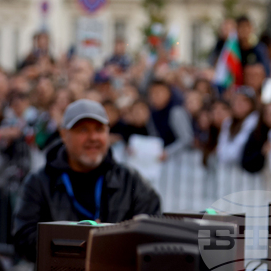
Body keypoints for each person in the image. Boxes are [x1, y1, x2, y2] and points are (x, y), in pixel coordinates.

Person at [12, 99, 161, 261]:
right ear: (64, 134)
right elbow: (22, 239)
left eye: (99, 129)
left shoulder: (132, 181)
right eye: (83, 130)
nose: (93, 137)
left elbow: (153, 233)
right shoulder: (39, 182)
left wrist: (109, 242)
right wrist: (75, 241)